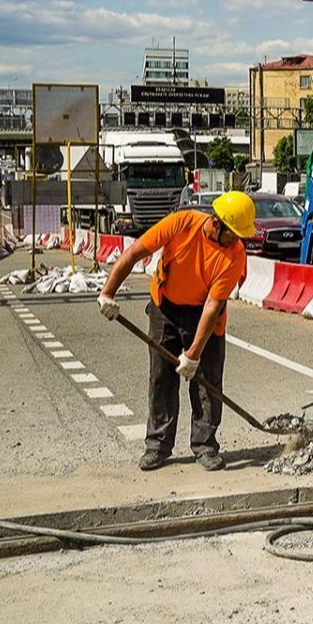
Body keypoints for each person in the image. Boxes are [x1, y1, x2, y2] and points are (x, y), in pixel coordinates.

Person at [97, 191, 254, 472]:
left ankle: (205, 445)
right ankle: (157, 445)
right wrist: (108, 293)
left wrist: (193, 354)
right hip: (165, 308)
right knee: (161, 378)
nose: (238, 241)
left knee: (208, 381)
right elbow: (134, 253)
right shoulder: (181, 224)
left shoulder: (235, 254)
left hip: (204, 314)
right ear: (217, 225)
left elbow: (213, 305)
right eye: (234, 234)